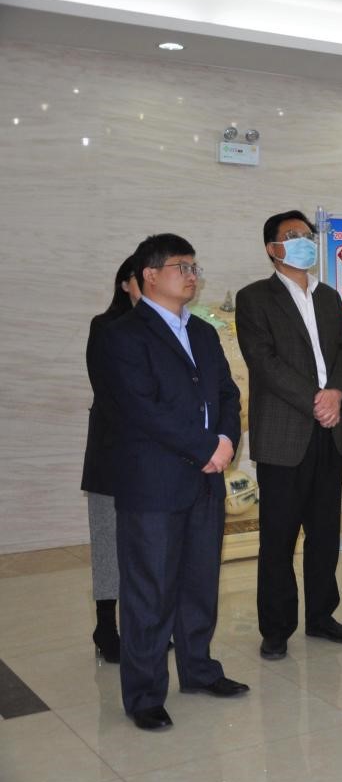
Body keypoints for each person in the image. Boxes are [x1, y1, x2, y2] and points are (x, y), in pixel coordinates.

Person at [102, 233, 245, 730]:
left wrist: (226, 439)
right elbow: (140, 408)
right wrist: (206, 448)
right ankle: (144, 694)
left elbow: (227, 393)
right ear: (150, 276)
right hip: (154, 481)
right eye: (181, 266)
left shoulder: (202, 331)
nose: (191, 275)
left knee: (200, 583)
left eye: (194, 266)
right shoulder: (123, 334)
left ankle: (199, 669)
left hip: (206, 478)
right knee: (150, 591)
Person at [236, 210, 342, 661]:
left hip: (331, 431)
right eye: (293, 235)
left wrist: (337, 393)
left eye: (307, 234)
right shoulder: (255, 298)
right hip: (285, 432)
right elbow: (263, 361)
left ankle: (322, 616)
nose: (304, 241)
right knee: (279, 537)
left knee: (325, 532)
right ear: (272, 248)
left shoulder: (328, 296)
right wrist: (317, 401)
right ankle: (276, 628)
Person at [82, 257, 141, 663]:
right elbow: (108, 388)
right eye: (143, 277)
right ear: (125, 284)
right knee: (108, 541)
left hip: (156, 456)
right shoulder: (105, 327)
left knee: (146, 546)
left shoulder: (170, 326)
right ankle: (106, 626)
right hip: (112, 451)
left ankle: (144, 627)